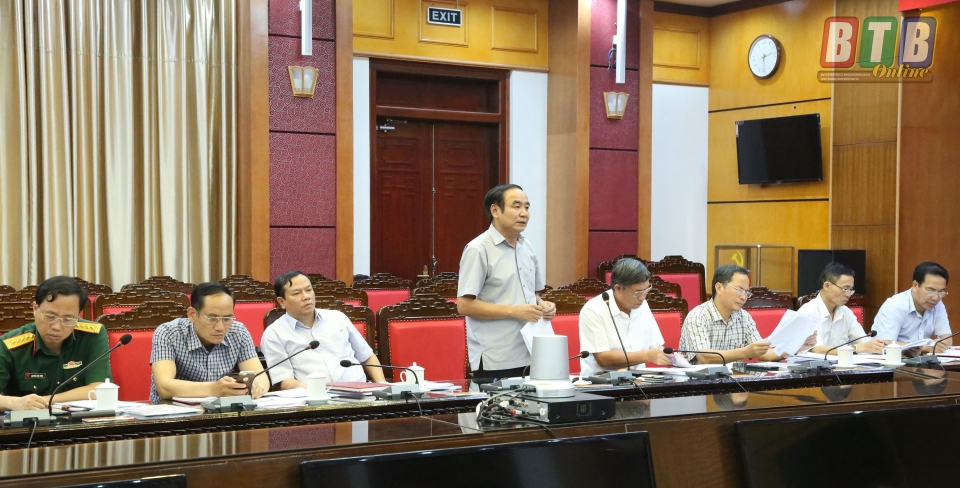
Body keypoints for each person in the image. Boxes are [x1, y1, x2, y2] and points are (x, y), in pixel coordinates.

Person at [457, 184, 556, 380]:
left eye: (527, 207)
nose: (524, 213)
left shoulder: (527, 246)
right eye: (516, 206)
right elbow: (464, 305)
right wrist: (514, 311)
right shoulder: (478, 249)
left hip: (531, 352)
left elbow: (534, 294)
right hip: (497, 357)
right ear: (495, 211)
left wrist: (543, 305)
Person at [0, 277, 111, 410]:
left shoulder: (92, 335)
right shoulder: (10, 345)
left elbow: (99, 389)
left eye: (68, 319)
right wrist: (14, 403)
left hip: (79, 420)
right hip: (29, 421)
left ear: (79, 315)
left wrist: (43, 401)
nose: (57, 327)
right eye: (50, 317)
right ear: (35, 308)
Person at [261, 271, 386, 389]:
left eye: (309, 290)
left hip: (360, 394)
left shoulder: (337, 318)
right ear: (282, 301)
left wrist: (382, 385)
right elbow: (285, 382)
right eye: (296, 293)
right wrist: (319, 391)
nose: (306, 297)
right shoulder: (274, 334)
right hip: (314, 398)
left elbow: (367, 356)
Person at [150, 282, 269, 404]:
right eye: (212, 319)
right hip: (175, 411)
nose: (220, 327)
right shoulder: (169, 333)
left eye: (227, 318)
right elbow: (164, 387)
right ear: (192, 314)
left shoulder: (238, 332)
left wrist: (256, 388)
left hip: (221, 411)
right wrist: (214, 389)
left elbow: (261, 378)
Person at [679, 265, 810, 364]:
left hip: (734, 382)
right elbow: (704, 357)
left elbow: (764, 354)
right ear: (719, 288)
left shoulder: (744, 317)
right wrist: (745, 352)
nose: (744, 297)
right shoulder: (698, 316)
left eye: (747, 292)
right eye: (739, 289)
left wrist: (796, 346)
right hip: (699, 385)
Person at [579, 258, 672, 377]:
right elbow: (603, 358)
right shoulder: (593, 310)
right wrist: (648, 355)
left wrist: (673, 358)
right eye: (637, 292)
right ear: (618, 288)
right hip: (600, 382)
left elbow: (656, 346)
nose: (643, 297)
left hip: (639, 380)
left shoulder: (643, 306)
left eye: (646, 290)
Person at [798, 262, 888, 355]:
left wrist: (874, 346)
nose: (848, 294)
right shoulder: (807, 312)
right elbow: (816, 350)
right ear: (827, 286)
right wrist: (856, 348)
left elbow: (863, 342)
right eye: (845, 289)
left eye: (851, 290)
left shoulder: (846, 312)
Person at [873, 262, 951, 355]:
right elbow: (884, 344)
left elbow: (947, 340)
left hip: (919, 360)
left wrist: (939, 345)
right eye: (930, 291)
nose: (935, 298)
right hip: (891, 360)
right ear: (915, 285)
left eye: (941, 292)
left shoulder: (938, 305)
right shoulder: (895, 305)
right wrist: (925, 348)